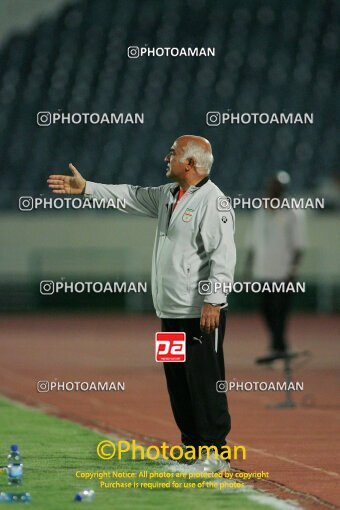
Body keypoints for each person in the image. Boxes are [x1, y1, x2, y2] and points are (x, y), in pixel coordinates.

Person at [47, 135, 236, 471]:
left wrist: (214, 301)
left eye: (174, 153)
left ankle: (216, 454)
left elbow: (223, 256)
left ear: (191, 163)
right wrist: (87, 188)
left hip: (199, 314)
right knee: (177, 382)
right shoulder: (167, 196)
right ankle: (191, 450)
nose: (167, 157)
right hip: (169, 312)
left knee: (204, 382)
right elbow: (129, 196)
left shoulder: (214, 202)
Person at [244, 172, 306, 363]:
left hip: (282, 272)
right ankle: (280, 346)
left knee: (280, 311)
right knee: (265, 309)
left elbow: (299, 245)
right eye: (272, 186)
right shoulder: (260, 211)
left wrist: (293, 269)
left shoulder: (293, 212)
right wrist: (247, 269)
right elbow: (253, 243)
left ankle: (277, 347)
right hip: (262, 271)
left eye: (278, 187)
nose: (273, 190)